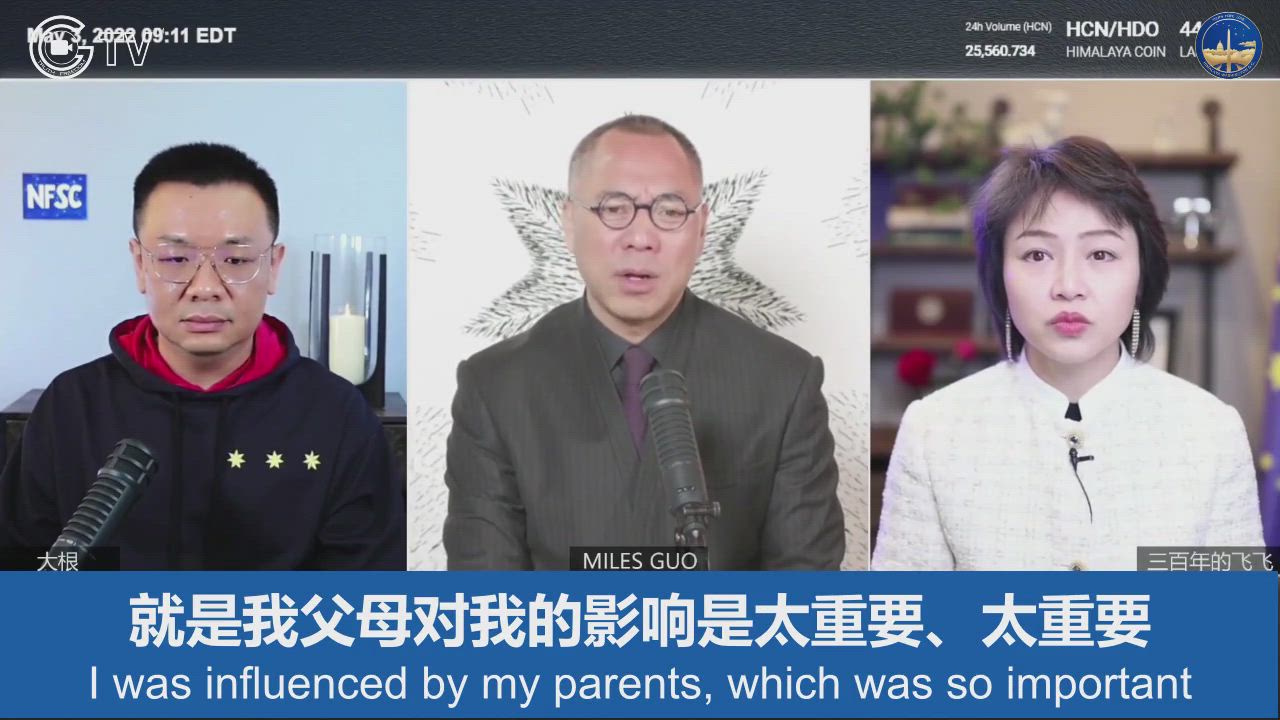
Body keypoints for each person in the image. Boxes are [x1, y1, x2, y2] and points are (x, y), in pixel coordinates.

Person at [443, 114, 844, 569]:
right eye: (614, 208)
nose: (640, 238)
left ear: (701, 228)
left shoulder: (783, 381)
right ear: (569, 221)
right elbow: (485, 594)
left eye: (670, 212)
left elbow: (806, 588)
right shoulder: (496, 386)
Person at [0, 142, 404, 569]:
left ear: (274, 266)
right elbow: (22, 571)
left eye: (236, 260)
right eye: (175, 258)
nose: (205, 287)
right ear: (139, 264)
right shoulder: (72, 406)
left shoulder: (336, 414)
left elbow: (367, 587)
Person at [873, 136, 1264, 571]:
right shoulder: (934, 431)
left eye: (1101, 253)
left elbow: (1234, 613)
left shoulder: (1210, 433)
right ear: (999, 275)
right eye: (1037, 254)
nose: (1068, 286)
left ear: (1141, 273)